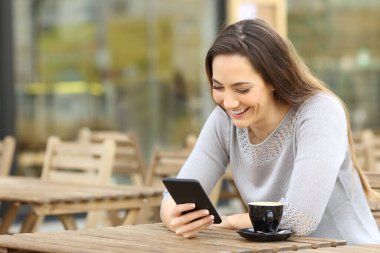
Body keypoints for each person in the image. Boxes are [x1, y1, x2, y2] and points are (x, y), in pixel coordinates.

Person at [160, 19, 380, 244]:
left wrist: (229, 221)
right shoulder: (224, 120)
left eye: (242, 89)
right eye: (218, 87)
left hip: (349, 249)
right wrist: (174, 217)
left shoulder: (319, 112)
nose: (229, 102)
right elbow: (175, 195)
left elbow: (300, 219)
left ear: (275, 79)